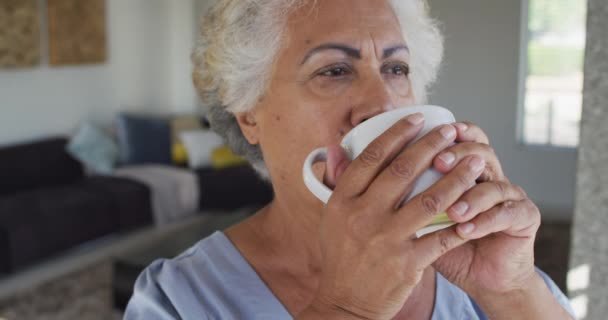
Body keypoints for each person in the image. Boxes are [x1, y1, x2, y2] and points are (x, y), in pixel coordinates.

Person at [125, 0, 575, 319]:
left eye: (396, 69)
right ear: (248, 113)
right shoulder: (179, 300)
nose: (382, 102)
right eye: (334, 71)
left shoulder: (488, 273)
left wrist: (513, 294)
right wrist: (347, 310)